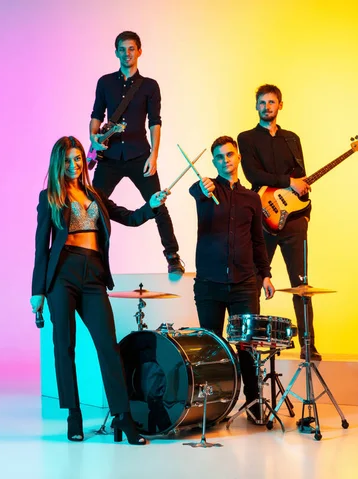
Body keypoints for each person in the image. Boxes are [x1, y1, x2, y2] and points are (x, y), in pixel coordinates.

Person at [30, 135, 171, 444]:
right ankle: (74, 415)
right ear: (59, 164)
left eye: (78, 158)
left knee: (108, 346)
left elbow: (132, 218)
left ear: (84, 160)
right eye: (67, 160)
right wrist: (37, 292)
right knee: (64, 347)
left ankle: (123, 417)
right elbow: (42, 248)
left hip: (94, 274)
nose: (73, 164)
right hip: (62, 275)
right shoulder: (50, 197)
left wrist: (153, 206)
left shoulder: (96, 196)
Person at [189, 136, 275, 422]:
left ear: (237, 157)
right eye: (219, 157)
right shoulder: (206, 190)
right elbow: (194, 189)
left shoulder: (252, 198)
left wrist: (265, 275)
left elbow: (257, 241)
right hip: (209, 285)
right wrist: (202, 186)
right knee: (212, 349)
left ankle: (253, 405)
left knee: (246, 346)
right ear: (214, 162)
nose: (225, 160)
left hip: (244, 284)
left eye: (229, 155)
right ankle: (214, 407)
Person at [238, 84, 322, 361]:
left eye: (271, 102)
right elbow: (253, 174)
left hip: (295, 220)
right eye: (262, 102)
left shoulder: (291, 138)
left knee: (302, 284)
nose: (266, 107)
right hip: (263, 216)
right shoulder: (247, 138)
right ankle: (250, 343)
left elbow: (302, 178)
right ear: (256, 106)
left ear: (280, 105)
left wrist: (308, 209)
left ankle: (308, 344)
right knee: (253, 279)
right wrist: (288, 182)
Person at [89, 30, 184, 275]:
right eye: (122, 49)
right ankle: (91, 258)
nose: (127, 53)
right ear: (116, 52)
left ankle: (173, 257)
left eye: (131, 48)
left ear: (139, 51)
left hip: (140, 154)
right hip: (109, 157)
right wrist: (93, 138)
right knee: (93, 206)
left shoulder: (150, 86)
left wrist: (154, 155)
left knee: (158, 204)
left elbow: (155, 121)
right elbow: (96, 116)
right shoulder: (105, 82)